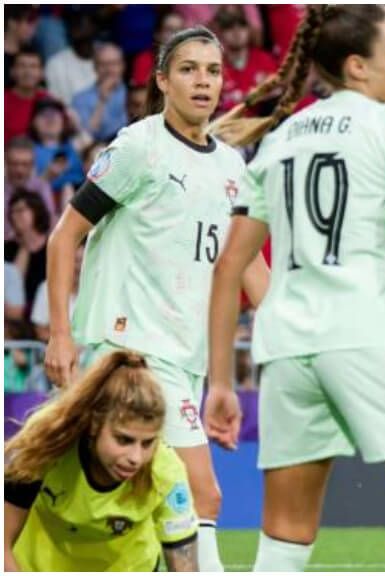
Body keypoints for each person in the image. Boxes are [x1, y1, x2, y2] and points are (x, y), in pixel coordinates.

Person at [205, 6, 385, 571]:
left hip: (286, 349)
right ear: (358, 67)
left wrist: (219, 382)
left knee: (284, 541)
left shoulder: (277, 141)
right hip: (369, 335)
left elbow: (228, 266)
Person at [44, 26, 267, 572]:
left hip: (184, 354)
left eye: (213, 71)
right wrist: (59, 332)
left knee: (142, 501)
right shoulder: (137, 148)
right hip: (130, 347)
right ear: (163, 81)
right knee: (200, 493)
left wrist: (303, 336)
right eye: (189, 69)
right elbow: (63, 236)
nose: (203, 81)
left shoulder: (233, 168)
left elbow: (250, 270)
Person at [4, 350, 199, 571]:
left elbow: (185, 568)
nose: (136, 458)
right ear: (95, 423)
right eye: (123, 439)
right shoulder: (47, 443)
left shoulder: (165, 471)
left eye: (147, 443)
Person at [4, 190, 51, 318]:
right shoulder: (7, 249)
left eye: (21, 210)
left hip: (46, 312)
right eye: (12, 212)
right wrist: (24, 244)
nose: (15, 215)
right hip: (16, 316)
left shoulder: (52, 247)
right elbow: (13, 289)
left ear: (36, 210)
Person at [70, 43, 129, 142]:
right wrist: (102, 100)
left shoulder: (132, 93)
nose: (109, 69)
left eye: (114, 64)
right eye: (104, 64)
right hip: (98, 150)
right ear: (95, 67)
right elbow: (86, 136)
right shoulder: (80, 98)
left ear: (122, 66)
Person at [5, 50, 51, 143]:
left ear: (42, 73)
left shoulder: (49, 100)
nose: (28, 72)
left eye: (33, 67)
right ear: (12, 72)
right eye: (22, 66)